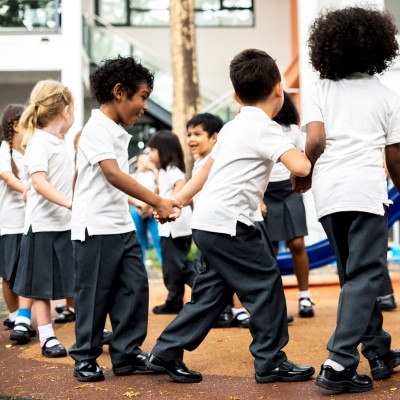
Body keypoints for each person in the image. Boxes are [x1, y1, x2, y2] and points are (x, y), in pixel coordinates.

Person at [146, 48, 314, 384]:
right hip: (233, 225)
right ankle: (270, 361)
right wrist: (311, 152)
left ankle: (165, 351)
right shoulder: (266, 129)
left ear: (236, 96)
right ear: (279, 88)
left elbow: (203, 173)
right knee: (266, 285)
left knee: (211, 293)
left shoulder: (233, 128)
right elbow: (302, 165)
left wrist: (175, 200)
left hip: (208, 223)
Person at [295, 7, 400, 393]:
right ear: (378, 47)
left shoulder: (320, 89)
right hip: (366, 193)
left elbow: (316, 141)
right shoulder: (387, 96)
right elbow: (395, 159)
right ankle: (339, 363)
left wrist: (303, 173)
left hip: (329, 194)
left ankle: (379, 353)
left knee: (353, 276)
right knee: (366, 274)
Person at [68, 56, 178, 382]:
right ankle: (85, 357)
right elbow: (113, 175)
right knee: (94, 295)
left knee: (134, 288)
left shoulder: (114, 130)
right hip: (96, 228)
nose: (144, 106)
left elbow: (112, 183)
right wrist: (157, 200)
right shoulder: (96, 129)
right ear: (119, 92)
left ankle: (127, 353)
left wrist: (141, 204)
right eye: (142, 97)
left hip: (121, 225)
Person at [11, 80, 75, 358]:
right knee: (41, 286)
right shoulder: (39, 142)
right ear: (66, 110)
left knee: (72, 280)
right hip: (42, 227)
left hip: (64, 224)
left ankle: (89, 329)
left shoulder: (61, 143)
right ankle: (46, 337)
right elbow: (39, 182)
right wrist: (69, 202)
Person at [187, 112, 251, 328]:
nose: (191, 139)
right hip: (203, 224)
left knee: (223, 272)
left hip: (218, 224)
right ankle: (228, 310)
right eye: (189, 134)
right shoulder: (198, 164)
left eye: (198, 134)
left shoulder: (215, 161)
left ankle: (238, 310)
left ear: (215, 137)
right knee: (211, 273)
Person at [263, 91, 314, 318]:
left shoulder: (292, 130)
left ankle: (305, 296)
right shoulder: (261, 129)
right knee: (270, 249)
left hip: (289, 189)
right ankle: (274, 301)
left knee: (297, 244)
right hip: (266, 193)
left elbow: (304, 157)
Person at [147, 130, 196, 315]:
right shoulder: (163, 171)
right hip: (173, 227)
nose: (150, 155)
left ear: (164, 151)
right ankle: (174, 299)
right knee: (173, 266)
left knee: (178, 266)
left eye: (153, 150)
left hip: (175, 228)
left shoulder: (172, 170)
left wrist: (171, 204)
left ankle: (200, 291)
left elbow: (180, 185)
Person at [0, 104, 34, 339]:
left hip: (29, 223)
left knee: (27, 271)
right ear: (15, 125)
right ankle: (15, 316)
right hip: (9, 223)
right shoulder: (4, 150)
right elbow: (7, 176)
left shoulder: (30, 152)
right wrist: (26, 190)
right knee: (9, 274)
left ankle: (23, 317)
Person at [129, 151, 162, 266]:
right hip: (137, 212)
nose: (144, 163)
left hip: (152, 212)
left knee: (157, 239)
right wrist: (139, 206)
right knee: (139, 241)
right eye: (141, 160)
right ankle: (141, 269)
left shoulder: (154, 175)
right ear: (137, 162)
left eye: (146, 160)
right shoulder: (133, 176)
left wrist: (154, 170)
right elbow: (128, 194)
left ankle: (164, 266)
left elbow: (159, 190)